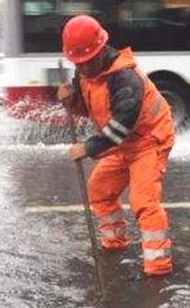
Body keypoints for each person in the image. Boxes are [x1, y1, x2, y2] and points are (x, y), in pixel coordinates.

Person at [57, 15, 175, 276]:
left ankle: (158, 266)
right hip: (122, 144)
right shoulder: (85, 72)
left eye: (86, 62)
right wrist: (71, 100)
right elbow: (88, 109)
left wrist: (88, 148)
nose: (82, 68)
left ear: (100, 51)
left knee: (143, 201)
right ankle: (114, 243)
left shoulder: (124, 78)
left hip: (149, 140)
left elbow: (121, 125)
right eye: (78, 63)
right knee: (99, 189)